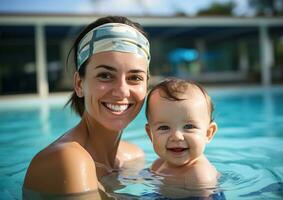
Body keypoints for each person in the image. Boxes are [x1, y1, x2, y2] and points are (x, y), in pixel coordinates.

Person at [23, 16, 151, 196]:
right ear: (79, 84)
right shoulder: (69, 159)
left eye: (135, 78)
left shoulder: (133, 155)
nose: (122, 91)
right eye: (105, 75)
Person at [145, 78, 219, 198]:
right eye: (164, 127)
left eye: (189, 126)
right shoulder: (158, 165)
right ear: (150, 134)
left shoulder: (198, 176)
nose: (176, 137)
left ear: (208, 133)